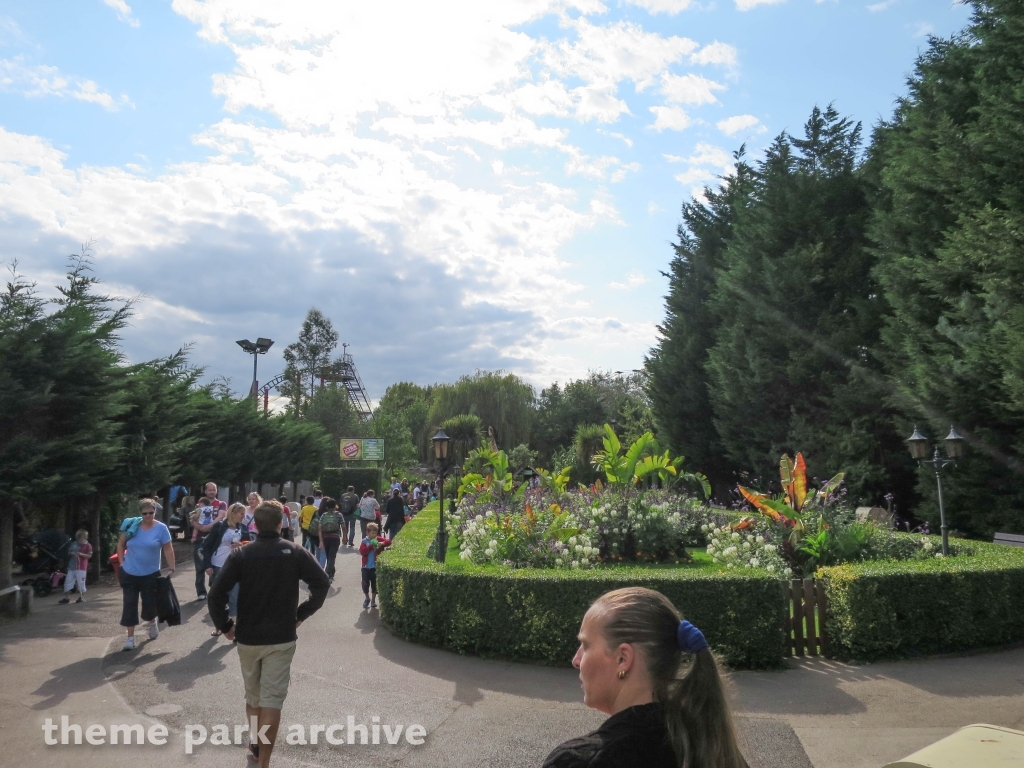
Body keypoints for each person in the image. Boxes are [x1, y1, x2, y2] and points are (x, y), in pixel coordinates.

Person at [541, 587, 747, 768]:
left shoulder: (580, 761)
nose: (576, 660)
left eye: (586, 645)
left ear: (623, 659)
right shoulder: (714, 751)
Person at [208, 500, 330, 768]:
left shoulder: (241, 555)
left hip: (248, 637)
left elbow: (216, 594)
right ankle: (264, 762)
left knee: (253, 699)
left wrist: (227, 626)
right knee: (272, 701)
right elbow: (321, 583)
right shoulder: (295, 552)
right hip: (281, 637)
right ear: (280, 524)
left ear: (255, 525)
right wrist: (301, 614)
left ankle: (255, 742)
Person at [117, 499, 175, 651]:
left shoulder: (161, 528)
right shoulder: (132, 525)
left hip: (150, 573)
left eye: (151, 513)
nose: (148, 516)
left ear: (155, 512)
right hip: (130, 572)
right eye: (145, 513)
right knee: (129, 604)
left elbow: (168, 548)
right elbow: (120, 543)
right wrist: (122, 563)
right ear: (140, 513)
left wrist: (171, 567)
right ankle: (130, 637)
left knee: (149, 604)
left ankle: (152, 621)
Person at [203, 502, 251, 636]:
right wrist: (207, 565)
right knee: (218, 597)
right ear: (233, 513)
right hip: (218, 565)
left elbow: (250, 545)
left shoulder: (244, 528)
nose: (243, 516)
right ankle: (220, 626)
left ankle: (235, 630)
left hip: (236, 566)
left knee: (235, 597)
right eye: (241, 514)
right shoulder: (219, 526)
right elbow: (207, 546)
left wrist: (241, 544)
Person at [193, 482, 227, 600]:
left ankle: (214, 588)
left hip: (215, 539)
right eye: (209, 490)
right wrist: (198, 526)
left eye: (214, 490)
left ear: (216, 491)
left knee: (214, 564)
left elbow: (220, 517)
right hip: (200, 538)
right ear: (205, 491)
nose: (212, 492)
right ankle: (201, 592)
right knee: (199, 566)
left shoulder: (221, 504)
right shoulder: (199, 504)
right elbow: (193, 518)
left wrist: (210, 526)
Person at [358, 522, 390, 609]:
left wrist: (382, 543)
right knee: (365, 584)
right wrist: (371, 546)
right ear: (367, 533)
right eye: (372, 533)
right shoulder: (364, 541)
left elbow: (389, 541)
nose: (374, 535)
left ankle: (373, 600)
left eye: (375, 533)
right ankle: (367, 598)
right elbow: (362, 552)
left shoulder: (378, 539)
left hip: (375, 567)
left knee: (374, 584)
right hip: (366, 567)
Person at [59, 529, 92, 604]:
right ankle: (66, 598)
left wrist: (81, 554)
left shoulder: (88, 545)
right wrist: (72, 553)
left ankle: (81, 597)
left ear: (85, 538)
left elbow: (89, 555)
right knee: (68, 581)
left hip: (81, 567)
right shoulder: (74, 543)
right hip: (72, 566)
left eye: (82, 540)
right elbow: (69, 551)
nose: (80, 541)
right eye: (79, 540)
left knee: (81, 582)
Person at [316, 499, 344, 580]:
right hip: (335, 537)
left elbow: (319, 527)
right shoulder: (339, 514)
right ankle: (328, 575)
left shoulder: (324, 515)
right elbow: (343, 527)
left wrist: (321, 540)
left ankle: (331, 571)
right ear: (335, 506)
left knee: (329, 555)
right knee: (332, 556)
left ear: (327, 507)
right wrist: (345, 537)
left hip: (325, 537)